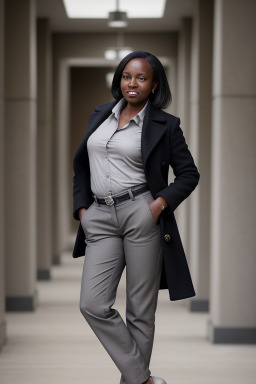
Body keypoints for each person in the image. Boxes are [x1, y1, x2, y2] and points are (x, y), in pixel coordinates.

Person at [72, 51, 200, 384]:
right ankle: (143, 380)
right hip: (99, 217)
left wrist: (157, 206)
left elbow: (188, 174)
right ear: (119, 79)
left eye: (142, 78)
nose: (133, 83)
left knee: (140, 311)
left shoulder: (166, 125)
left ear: (154, 84)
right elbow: (83, 166)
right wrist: (83, 210)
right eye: (127, 76)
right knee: (92, 304)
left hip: (140, 213)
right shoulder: (100, 115)